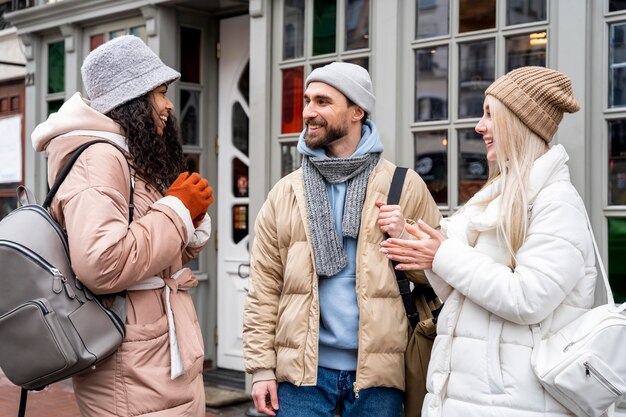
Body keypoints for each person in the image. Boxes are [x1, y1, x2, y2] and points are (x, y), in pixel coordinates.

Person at [380, 66, 598, 417]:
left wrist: (442, 255)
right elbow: (468, 297)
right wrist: (420, 247)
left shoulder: (557, 203)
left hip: (517, 401)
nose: (480, 127)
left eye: (489, 115)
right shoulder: (497, 197)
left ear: (518, 123)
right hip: (479, 396)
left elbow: (527, 298)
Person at [242, 62, 441, 417]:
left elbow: (438, 278)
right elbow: (263, 289)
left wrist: (403, 237)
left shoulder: (403, 186)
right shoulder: (286, 192)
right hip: (301, 377)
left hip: (378, 377)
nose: (308, 112)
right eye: (307, 101)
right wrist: (260, 370)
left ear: (356, 111)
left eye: (322, 101)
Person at [31, 35, 213, 416]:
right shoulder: (99, 158)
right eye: (160, 93)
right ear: (131, 100)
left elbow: (145, 250)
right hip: (132, 368)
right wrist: (176, 209)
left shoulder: (124, 156)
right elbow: (103, 263)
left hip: (151, 361)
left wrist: (186, 220)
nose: (167, 106)